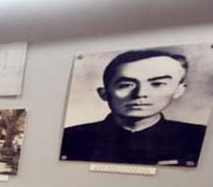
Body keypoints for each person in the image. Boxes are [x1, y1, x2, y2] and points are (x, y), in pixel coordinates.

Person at [61, 49, 207, 166]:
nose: (140, 94)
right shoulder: (70, 138)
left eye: (157, 84)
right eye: (126, 85)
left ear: (178, 90)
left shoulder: (199, 137)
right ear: (104, 93)